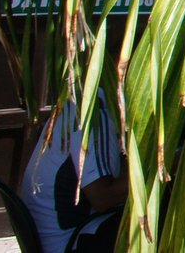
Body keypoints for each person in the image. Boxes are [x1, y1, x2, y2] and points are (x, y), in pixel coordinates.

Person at [22, 96, 127, 253]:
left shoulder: (74, 99)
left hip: (53, 237)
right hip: (69, 243)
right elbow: (103, 198)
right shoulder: (96, 111)